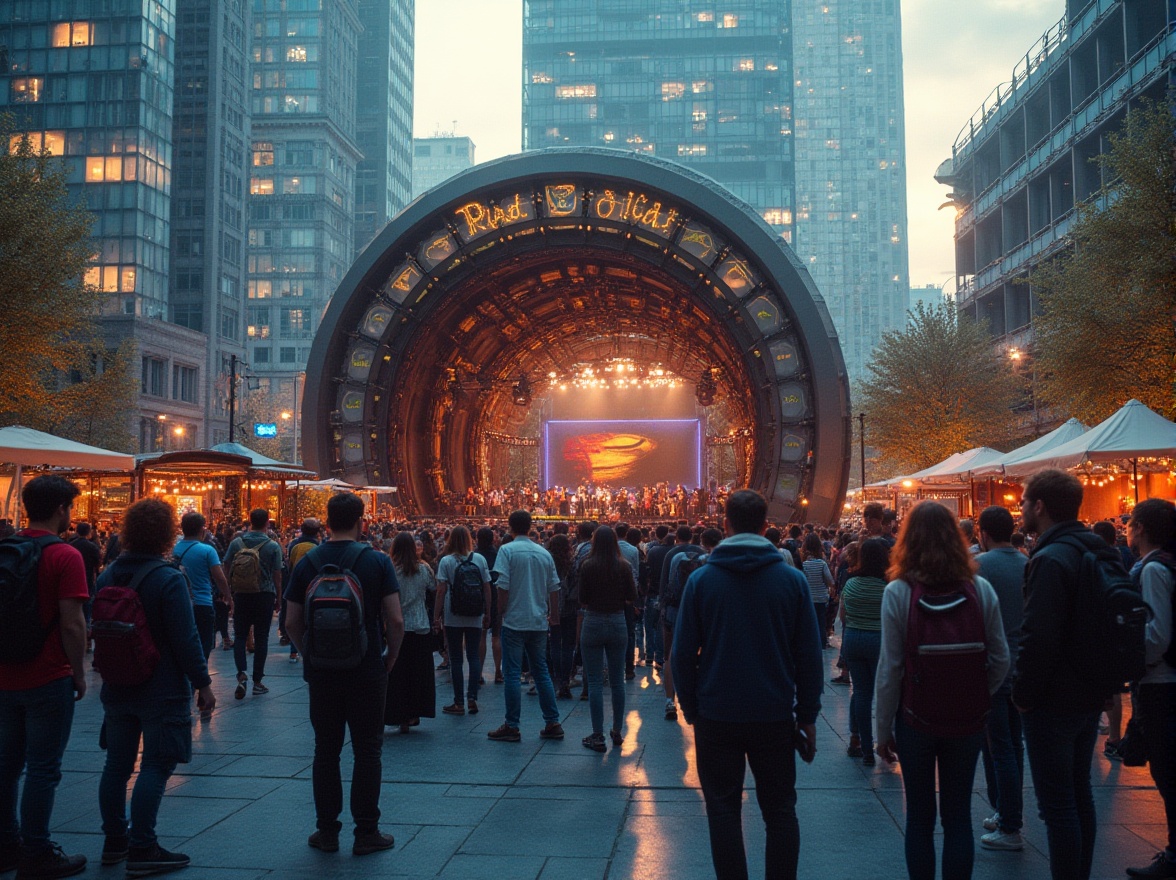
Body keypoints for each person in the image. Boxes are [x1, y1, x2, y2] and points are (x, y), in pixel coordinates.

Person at [672, 490, 823, 880]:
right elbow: (809, 654)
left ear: (725, 524)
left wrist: (691, 708)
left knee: (722, 811)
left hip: (716, 714)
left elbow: (682, 654)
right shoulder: (792, 580)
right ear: (764, 525)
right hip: (773, 713)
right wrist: (807, 716)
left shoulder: (701, 580)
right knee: (780, 811)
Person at [875, 500, 1009, 880]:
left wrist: (882, 730)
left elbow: (890, 669)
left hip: (915, 719)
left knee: (919, 818)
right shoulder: (979, 589)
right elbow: (1000, 658)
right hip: (967, 720)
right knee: (958, 817)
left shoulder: (899, 591)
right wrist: (978, 694)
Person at [96, 499, 216, 877]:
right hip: (161, 686)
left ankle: (115, 839)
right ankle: (143, 847)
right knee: (156, 765)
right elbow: (186, 637)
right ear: (166, 533)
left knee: (116, 765)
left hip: (117, 684)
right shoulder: (168, 578)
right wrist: (203, 683)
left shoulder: (108, 574)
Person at [285, 492, 404, 857]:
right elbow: (396, 620)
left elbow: (291, 621)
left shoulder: (308, 561)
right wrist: (389, 659)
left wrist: (311, 656)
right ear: (361, 520)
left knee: (326, 751)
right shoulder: (377, 562)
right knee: (368, 751)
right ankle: (366, 832)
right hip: (367, 670)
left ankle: (327, 832)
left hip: (322, 674)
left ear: (326, 521)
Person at [1014, 469, 1112, 880]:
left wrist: (1023, 694)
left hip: (1053, 697)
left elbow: (1039, 635)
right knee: (1080, 794)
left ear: (1040, 506)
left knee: (1057, 806)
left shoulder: (1050, 559)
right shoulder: (1095, 550)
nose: (1019, 509)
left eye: (1023, 502)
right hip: (1090, 691)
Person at [0, 476, 89, 880]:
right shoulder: (64, 556)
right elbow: (73, 623)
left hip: (4, 675)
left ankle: (5, 846)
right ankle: (37, 851)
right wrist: (79, 671)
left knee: (5, 765)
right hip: (47, 674)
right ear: (61, 510)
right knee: (42, 768)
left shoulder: (6, 549)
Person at [1124, 499, 1176, 879]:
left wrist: (1131, 654)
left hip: (1161, 681)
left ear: (1140, 528)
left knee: (1167, 770)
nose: (1126, 528)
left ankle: (1175, 855)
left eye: (1130, 523)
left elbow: (1157, 633)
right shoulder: (1166, 564)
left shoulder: (1153, 569)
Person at [974, 505, 1028, 852]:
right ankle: (1005, 810)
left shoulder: (979, 567)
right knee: (1013, 744)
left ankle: (1009, 823)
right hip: (1024, 667)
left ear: (983, 532)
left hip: (993, 669)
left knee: (998, 747)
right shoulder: (1029, 563)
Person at [488, 510, 564, 743]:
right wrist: (554, 616)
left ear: (510, 527)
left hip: (514, 620)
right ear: (530, 526)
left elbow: (503, 586)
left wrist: (500, 611)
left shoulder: (507, 550)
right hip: (538, 621)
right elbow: (554, 588)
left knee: (511, 673)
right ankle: (552, 722)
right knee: (541, 671)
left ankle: (512, 725)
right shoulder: (543, 552)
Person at [577, 526, 638, 752]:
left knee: (593, 682)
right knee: (617, 681)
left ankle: (597, 735)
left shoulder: (587, 566)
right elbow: (633, 595)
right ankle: (617, 730)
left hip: (593, 620)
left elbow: (582, 598)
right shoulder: (624, 566)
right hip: (617, 620)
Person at [662, 528, 722, 721]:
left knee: (670, 654)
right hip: (702, 610)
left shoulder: (674, 555)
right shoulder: (706, 559)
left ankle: (670, 700)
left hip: (674, 609)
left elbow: (667, 583)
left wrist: (663, 607)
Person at [840, 537, 889, 765]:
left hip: (853, 638)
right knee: (884, 694)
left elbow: (843, 616)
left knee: (860, 692)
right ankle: (885, 742)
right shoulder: (886, 586)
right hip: (878, 639)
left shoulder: (851, 583)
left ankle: (861, 744)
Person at [224, 509, 283, 699]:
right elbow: (277, 574)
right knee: (262, 637)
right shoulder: (273, 546)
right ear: (267, 522)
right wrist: (279, 597)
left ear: (249, 521)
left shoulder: (236, 543)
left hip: (241, 594)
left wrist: (229, 591)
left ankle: (242, 674)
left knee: (240, 636)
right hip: (264, 595)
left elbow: (226, 565)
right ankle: (258, 681)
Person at [433, 526, 491, 717]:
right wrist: (487, 612)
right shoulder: (479, 559)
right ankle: (472, 697)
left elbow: (441, 591)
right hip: (475, 613)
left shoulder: (447, 561)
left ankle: (458, 702)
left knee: (456, 658)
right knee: (473, 656)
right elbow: (487, 588)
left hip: (453, 614)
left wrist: (436, 615)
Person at [384, 531, 436, 734]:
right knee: (418, 674)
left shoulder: (391, 570)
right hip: (420, 624)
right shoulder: (424, 569)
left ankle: (399, 714)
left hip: (397, 626)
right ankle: (415, 712)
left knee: (398, 674)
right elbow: (433, 588)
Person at [173, 513, 231, 661]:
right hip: (203, 603)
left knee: (183, 643)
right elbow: (219, 577)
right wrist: (229, 597)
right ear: (202, 529)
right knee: (204, 644)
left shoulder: (173, 550)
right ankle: (199, 676)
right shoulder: (207, 550)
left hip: (180, 603)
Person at [281, 519, 322, 664]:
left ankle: (294, 651)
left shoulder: (294, 544)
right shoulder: (318, 546)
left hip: (297, 584)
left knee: (296, 618)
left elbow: (289, 564)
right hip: (315, 587)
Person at [546, 534, 578, 700]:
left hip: (551, 608)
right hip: (570, 609)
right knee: (568, 646)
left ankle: (556, 679)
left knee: (554, 645)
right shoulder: (572, 563)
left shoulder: (547, 562)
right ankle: (565, 680)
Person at [800, 533, 834, 649]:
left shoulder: (803, 565)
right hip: (821, 598)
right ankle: (822, 642)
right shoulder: (822, 564)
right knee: (821, 621)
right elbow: (830, 581)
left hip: (808, 598)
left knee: (809, 622)